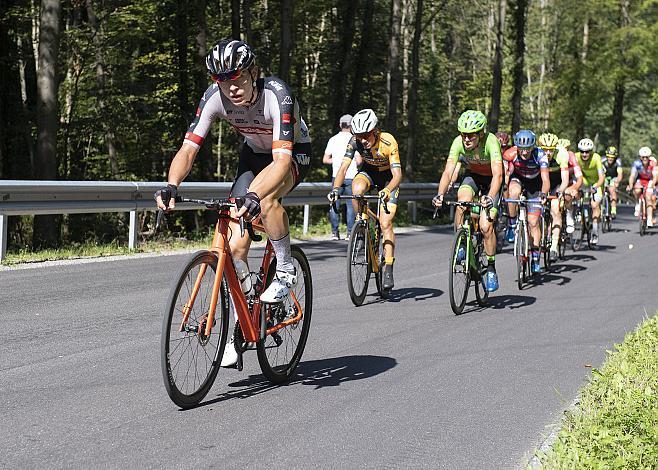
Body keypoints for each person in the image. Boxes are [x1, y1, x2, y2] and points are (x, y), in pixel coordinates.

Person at [155, 39, 312, 366]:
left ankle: (284, 269)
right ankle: (242, 318)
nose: (232, 88)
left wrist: (256, 194)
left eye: (238, 79)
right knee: (235, 242)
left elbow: (281, 163)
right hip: (254, 154)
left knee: (265, 199)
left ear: (253, 72)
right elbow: (188, 149)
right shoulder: (214, 97)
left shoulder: (277, 95)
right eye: (223, 82)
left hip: (291, 152)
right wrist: (171, 185)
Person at [328, 108, 402, 290]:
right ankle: (362, 225)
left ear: (375, 130)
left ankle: (389, 267)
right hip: (369, 173)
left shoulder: (388, 141)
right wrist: (336, 189)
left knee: (385, 224)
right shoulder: (354, 142)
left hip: (388, 179)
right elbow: (343, 168)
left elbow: (398, 175)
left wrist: (387, 190)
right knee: (356, 189)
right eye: (359, 135)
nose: (362, 140)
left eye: (366, 135)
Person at [433, 110, 504, 292]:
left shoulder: (491, 142)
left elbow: (498, 175)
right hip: (473, 176)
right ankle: (462, 242)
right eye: (463, 134)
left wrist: (489, 197)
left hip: (491, 182)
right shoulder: (458, 142)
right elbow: (448, 172)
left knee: (486, 226)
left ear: (480, 134)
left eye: (470, 135)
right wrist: (440, 194)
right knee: (462, 201)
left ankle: (490, 267)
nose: (466, 139)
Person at [503, 130, 550, 273]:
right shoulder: (509, 154)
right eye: (521, 149)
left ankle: (535, 258)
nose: (524, 152)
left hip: (535, 184)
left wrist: (543, 194)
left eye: (527, 149)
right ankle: (511, 225)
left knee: (533, 222)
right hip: (518, 179)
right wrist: (504, 188)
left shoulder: (540, 155)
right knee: (513, 193)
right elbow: (505, 175)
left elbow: (546, 180)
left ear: (533, 147)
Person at [323, 114, 360, 240]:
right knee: (350, 205)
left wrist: (337, 161)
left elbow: (325, 159)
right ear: (351, 126)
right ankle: (350, 233)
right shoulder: (355, 139)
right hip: (352, 176)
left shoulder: (333, 139)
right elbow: (359, 161)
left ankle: (335, 232)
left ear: (340, 125)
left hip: (336, 176)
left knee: (334, 203)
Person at [538, 133, 570, 261]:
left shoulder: (562, 154)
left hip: (556, 183)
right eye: (545, 149)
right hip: (541, 183)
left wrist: (560, 191)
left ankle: (554, 246)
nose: (548, 152)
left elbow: (565, 179)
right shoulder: (537, 154)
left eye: (551, 149)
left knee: (555, 209)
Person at [574, 138, 605, 245]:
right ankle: (578, 209)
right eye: (582, 151)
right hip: (584, 181)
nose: (584, 154)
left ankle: (595, 231)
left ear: (591, 152)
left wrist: (596, 187)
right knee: (575, 191)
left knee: (595, 205)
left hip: (596, 183)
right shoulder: (576, 157)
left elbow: (602, 177)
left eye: (587, 152)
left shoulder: (596, 158)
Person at [556, 138, 583, 234]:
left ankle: (569, 214)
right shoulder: (556, 156)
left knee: (567, 195)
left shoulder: (571, 156)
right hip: (558, 180)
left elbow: (579, 178)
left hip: (571, 180)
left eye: (566, 149)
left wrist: (574, 188)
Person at [627, 146, 658, 226]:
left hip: (650, 181)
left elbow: (655, 177)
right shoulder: (636, 163)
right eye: (643, 157)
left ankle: (650, 218)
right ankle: (637, 203)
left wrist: (652, 185)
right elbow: (632, 176)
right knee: (637, 190)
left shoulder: (653, 163)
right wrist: (630, 185)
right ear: (640, 157)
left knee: (649, 197)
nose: (645, 159)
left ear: (649, 157)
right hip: (641, 179)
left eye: (646, 157)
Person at [602, 146, 623, 219]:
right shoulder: (602, 160)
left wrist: (617, 182)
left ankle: (613, 211)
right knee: (601, 189)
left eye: (612, 157)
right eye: (609, 156)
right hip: (604, 176)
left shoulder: (618, 162)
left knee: (612, 190)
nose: (610, 158)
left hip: (614, 177)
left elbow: (620, 174)